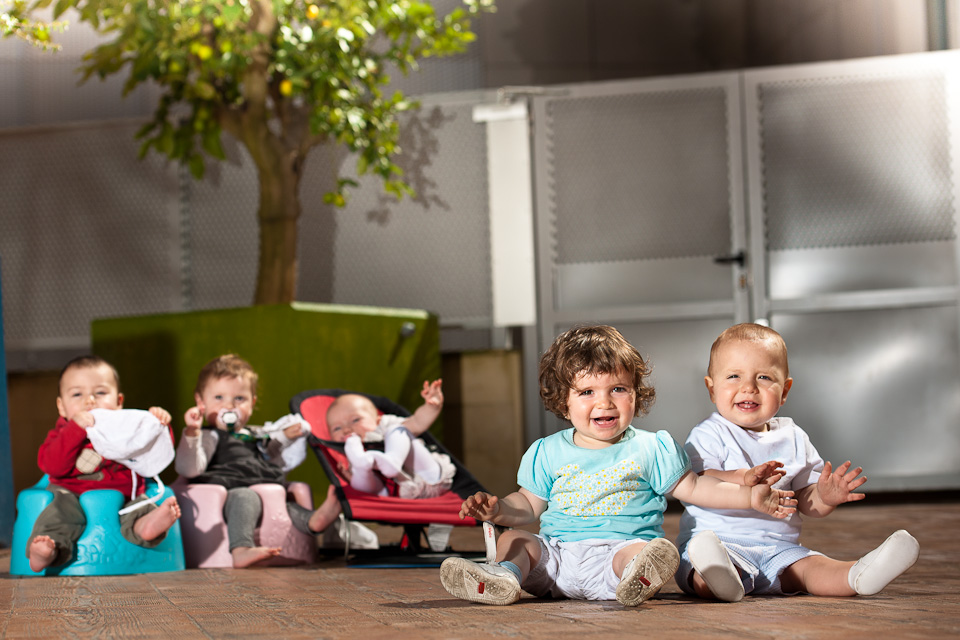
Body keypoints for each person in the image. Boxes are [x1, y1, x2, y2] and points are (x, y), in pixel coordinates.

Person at [439, 325, 798, 606]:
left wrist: (748, 496)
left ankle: (638, 581)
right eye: (587, 392)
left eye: (618, 389)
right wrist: (498, 508)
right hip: (557, 558)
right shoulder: (545, 452)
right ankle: (503, 577)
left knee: (648, 552)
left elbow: (697, 488)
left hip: (620, 557)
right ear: (563, 402)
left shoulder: (652, 447)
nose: (605, 403)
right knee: (518, 539)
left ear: (636, 394)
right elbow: (527, 505)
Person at [675, 323, 920, 602]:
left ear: (785, 390)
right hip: (720, 543)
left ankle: (858, 574)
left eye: (764, 377)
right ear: (711, 388)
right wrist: (744, 479)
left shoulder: (793, 436)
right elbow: (699, 482)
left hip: (779, 549)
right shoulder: (709, 433)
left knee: (809, 567)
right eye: (733, 376)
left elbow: (805, 500)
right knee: (703, 569)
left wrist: (824, 496)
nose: (749, 387)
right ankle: (721, 578)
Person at [175, 354, 341, 567]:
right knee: (246, 497)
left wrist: (284, 437)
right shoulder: (207, 435)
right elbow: (189, 468)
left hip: (261, 485)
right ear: (201, 402)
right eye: (219, 398)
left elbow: (269, 455)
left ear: (252, 403)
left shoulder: (254, 433)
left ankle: (314, 522)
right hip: (229, 492)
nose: (229, 406)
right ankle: (241, 549)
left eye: (239, 399)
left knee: (286, 503)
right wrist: (191, 432)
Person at [26, 355, 182, 572]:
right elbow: (52, 466)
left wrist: (157, 424)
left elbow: (152, 450)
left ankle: (147, 526)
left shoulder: (126, 429)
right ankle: (46, 551)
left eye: (100, 393)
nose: (89, 401)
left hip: (127, 496)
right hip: (73, 495)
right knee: (58, 514)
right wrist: (76, 429)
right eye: (77, 394)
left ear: (119, 402)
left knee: (141, 508)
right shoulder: (62, 433)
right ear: (62, 407)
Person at [325, 379, 456, 499]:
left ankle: (393, 459)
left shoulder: (384, 424)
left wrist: (432, 407)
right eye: (337, 428)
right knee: (362, 474)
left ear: (377, 419)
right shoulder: (353, 452)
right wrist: (352, 477)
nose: (347, 429)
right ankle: (367, 467)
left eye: (355, 420)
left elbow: (417, 422)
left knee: (397, 429)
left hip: (429, 476)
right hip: (402, 493)